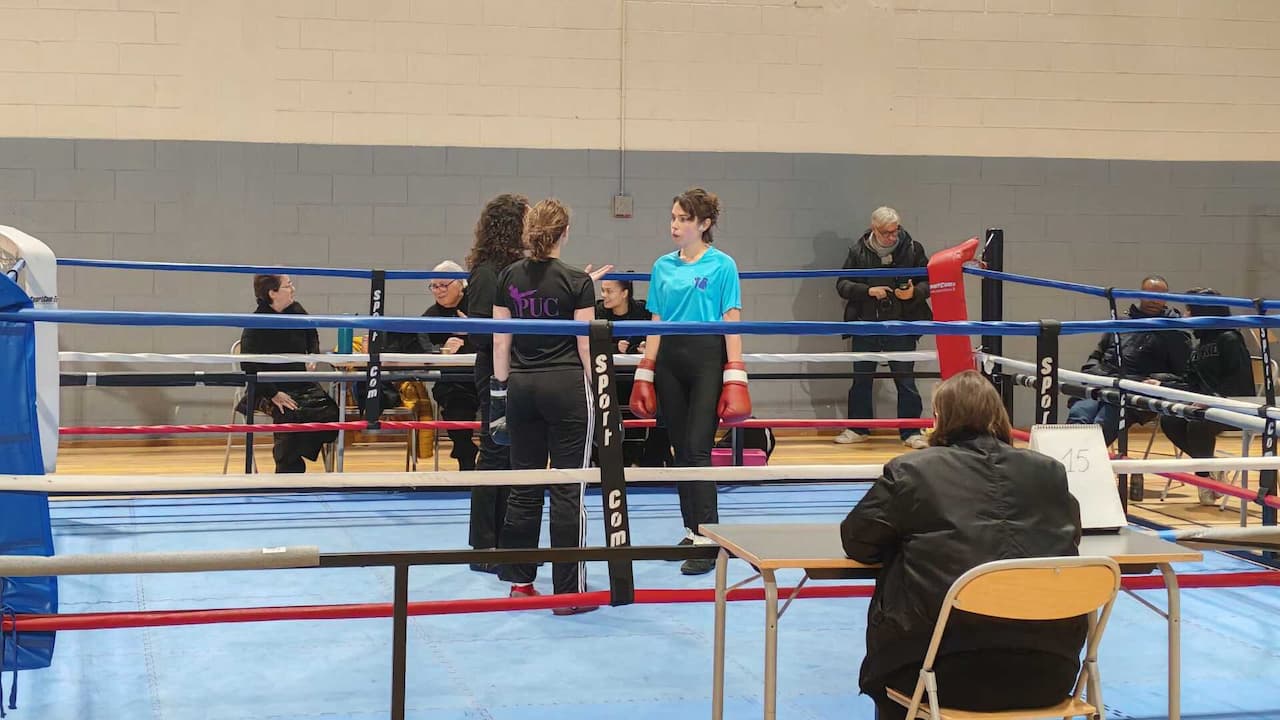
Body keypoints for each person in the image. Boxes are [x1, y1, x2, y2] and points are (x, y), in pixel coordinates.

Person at [841, 370, 1087, 719]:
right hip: (1050, 671)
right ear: (1000, 416)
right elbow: (1071, 536)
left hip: (936, 672)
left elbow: (858, 542)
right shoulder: (1050, 471)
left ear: (938, 418)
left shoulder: (911, 472)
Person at [629, 188, 751, 576]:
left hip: (706, 359)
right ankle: (692, 530)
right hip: (669, 360)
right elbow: (657, 320)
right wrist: (645, 369)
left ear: (704, 224)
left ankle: (710, 539)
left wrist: (735, 372)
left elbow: (731, 319)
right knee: (680, 449)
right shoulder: (662, 266)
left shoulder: (723, 265)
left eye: (684, 218)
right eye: (673, 217)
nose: (675, 225)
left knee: (698, 449)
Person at [491, 199, 598, 615]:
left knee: (525, 486)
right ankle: (568, 594)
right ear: (564, 232)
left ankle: (520, 584)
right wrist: (601, 394)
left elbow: (501, 340)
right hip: (566, 385)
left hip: (522, 386)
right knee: (568, 488)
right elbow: (586, 346)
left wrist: (501, 392)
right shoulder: (577, 280)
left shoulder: (508, 276)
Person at [464, 193, 529, 572]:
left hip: (518, 369)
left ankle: (505, 540)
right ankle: (484, 546)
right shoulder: (487, 272)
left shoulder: (517, 270)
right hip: (494, 372)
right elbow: (480, 332)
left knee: (513, 455)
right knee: (494, 452)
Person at [834, 206, 931, 450]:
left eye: (895, 231)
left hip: (901, 325)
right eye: (887, 232)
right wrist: (868, 291)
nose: (892, 236)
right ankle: (858, 428)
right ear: (874, 229)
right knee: (861, 380)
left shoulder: (913, 248)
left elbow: (930, 282)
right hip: (866, 325)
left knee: (906, 381)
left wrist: (913, 293)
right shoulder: (858, 251)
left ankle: (911, 431)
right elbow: (842, 284)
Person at [1068, 275, 1192, 445]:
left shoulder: (1175, 331)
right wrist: (1092, 373)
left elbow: (1183, 374)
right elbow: (1096, 355)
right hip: (1104, 383)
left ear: (1166, 298)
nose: (1154, 300)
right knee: (1079, 414)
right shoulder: (1120, 323)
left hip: (1136, 391)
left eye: (1159, 296)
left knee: (1103, 422)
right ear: (1139, 294)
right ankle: (1070, 459)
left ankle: (1088, 460)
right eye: (1149, 295)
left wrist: (1156, 381)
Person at [1158, 289, 1255, 505]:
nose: (1185, 316)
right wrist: (1162, 385)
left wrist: (1213, 401)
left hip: (1234, 406)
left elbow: (1240, 383)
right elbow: (1190, 381)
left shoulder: (1230, 339)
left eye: (1189, 310)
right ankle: (1212, 467)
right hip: (1203, 406)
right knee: (1170, 419)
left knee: (1198, 423)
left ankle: (1204, 478)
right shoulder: (1198, 345)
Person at [384, 261, 479, 470]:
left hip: (486, 375)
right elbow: (421, 350)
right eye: (434, 286)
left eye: (444, 285)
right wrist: (441, 350)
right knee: (454, 405)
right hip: (454, 382)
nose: (438, 291)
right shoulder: (431, 316)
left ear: (461, 284)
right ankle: (466, 457)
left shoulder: (478, 307)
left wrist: (472, 331)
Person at [239, 274, 339, 473]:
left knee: (329, 411)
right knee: (289, 414)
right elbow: (249, 364)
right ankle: (288, 471)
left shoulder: (297, 310)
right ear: (272, 293)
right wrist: (274, 393)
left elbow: (312, 334)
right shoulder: (256, 323)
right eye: (288, 286)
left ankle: (297, 455)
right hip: (267, 387)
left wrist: (312, 354)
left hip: (300, 382)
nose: (293, 289)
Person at [596, 278, 672, 468]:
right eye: (602, 290)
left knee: (662, 402)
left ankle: (652, 458)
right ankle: (610, 459)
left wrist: (647, 346)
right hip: (608, 379)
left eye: (609, 291)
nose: (604, 296)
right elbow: (587, 344)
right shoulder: (598, 312)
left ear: (625, 293)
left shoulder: (643, 311)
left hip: (640, 378)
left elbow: (658, 337)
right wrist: (613, 347)